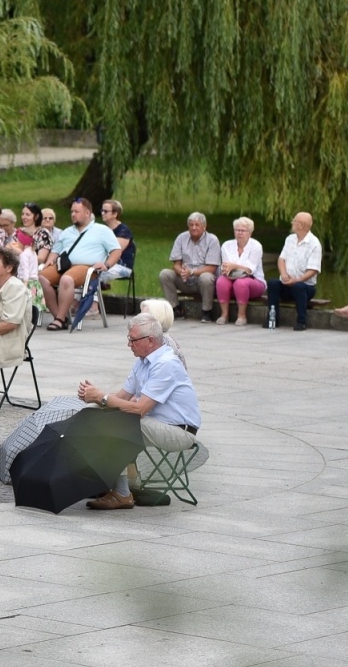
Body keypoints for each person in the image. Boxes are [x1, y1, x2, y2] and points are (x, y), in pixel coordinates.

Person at [76, 312, 202, 510]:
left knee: (123, 422)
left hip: (180, 431)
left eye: (132, 340)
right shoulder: (142, 362)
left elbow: (139, 410)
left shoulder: (166, 364)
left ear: (150, 340)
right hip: (154, 424)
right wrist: (94, 399)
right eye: (129, 339)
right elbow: (121, 398)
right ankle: (109, 481)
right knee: (96, 413)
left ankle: (122, 494)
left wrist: (102, 397)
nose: (129, 344)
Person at [40, 198, 122, 330]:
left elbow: (116, 251)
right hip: (65, 266)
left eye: (76, 211)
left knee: (67, 279)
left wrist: (107, 265)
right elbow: (55, 250)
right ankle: (59, 317)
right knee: (42, 278)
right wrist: (51, 259)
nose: (73, 214)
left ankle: (59, 319)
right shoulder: (67, 232)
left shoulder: (102, 230)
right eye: (72, 211)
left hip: (87, 267)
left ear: (87, 213)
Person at [158, 213, 222, 322]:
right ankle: (175, 309)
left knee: (206, 277)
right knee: (165, 274)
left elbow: (212, 268)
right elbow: (176, 264)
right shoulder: (181, 238)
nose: (194, 228)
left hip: (203, 281)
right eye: (191, 225)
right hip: (185, 279)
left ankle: (207, 311)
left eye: (197, 225)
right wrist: (181, 272)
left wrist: (192, 272)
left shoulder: (212, 240)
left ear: (204, 227)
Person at [266, 212, 322, 331]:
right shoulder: (290, 239)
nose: (292, 222)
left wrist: (296, 281)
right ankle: (272, 319)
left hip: (306, 287)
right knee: (273, 284)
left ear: (301, 225)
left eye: (294, 221)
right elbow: (281, 259)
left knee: (299, 287)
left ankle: (301, 322)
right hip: (286, 283)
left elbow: (313, 270)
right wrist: (284, 275)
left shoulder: (314, 244)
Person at [213, 216, 265, 325]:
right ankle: (224, 315)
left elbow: (250, 270)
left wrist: (234, 265)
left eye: (243, 230)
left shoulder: (256, 246)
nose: (239, 233)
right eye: (237, 230)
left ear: (250, 233)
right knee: (221, 281)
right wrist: (235, 267)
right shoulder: (227, 245)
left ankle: (242, 316)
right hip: (230, 278)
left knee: (240, 283)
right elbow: (226, 267)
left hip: (254, 282)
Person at [98, 200, 135, 283]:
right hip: (105, 264)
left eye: (106, 211)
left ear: (115, 214)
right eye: (102, 210)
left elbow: (114, 252)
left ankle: (93, 294)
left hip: (122, 266)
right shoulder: (104, 229)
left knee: (96, 274)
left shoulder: (123, 231)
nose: (102, 213)